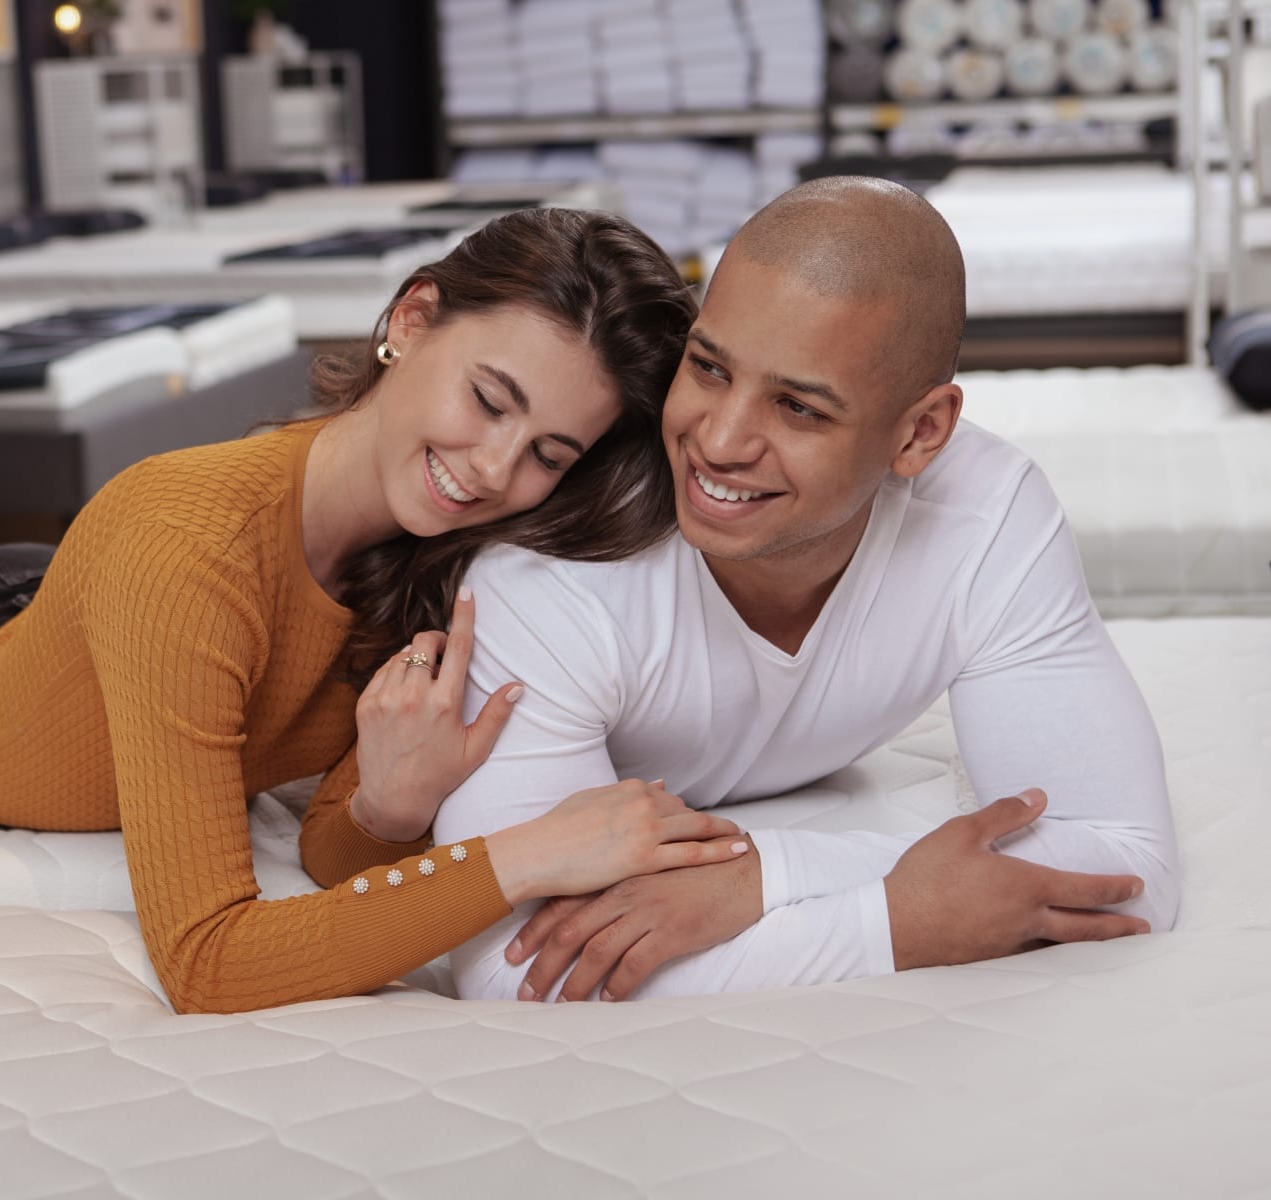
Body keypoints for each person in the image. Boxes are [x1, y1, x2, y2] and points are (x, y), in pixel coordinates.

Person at [0, 207, 751, 1015]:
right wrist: (522, 855)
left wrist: (392, 799)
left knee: (61, 571)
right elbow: (205, 960)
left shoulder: (439, 560)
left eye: (548, 451)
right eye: (489, 398)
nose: (494, 470)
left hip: (56, 607)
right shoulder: (189, 539)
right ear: (410, 319)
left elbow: (340, 852)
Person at [329, 177, 1176, 1004]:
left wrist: (771, 876)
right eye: (707, 367)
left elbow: (1126, 868)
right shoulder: (549, 580)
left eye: (799, 409)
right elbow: (519, 969)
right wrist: (902, 922)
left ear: (920, 433)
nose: (721, 441)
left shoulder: (986, 518)